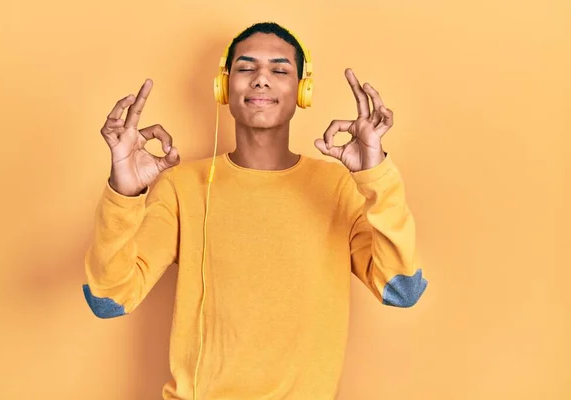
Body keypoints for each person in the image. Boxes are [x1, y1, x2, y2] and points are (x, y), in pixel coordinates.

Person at [82, 21, 428, 400]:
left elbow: (402, 290)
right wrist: (123, 193)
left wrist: (375, 175)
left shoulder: (341, 187)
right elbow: (108, 300)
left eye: (280, 70)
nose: (262, 79)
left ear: (302, 91)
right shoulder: (182, 186)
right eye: (246, 68)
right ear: (224, 87)